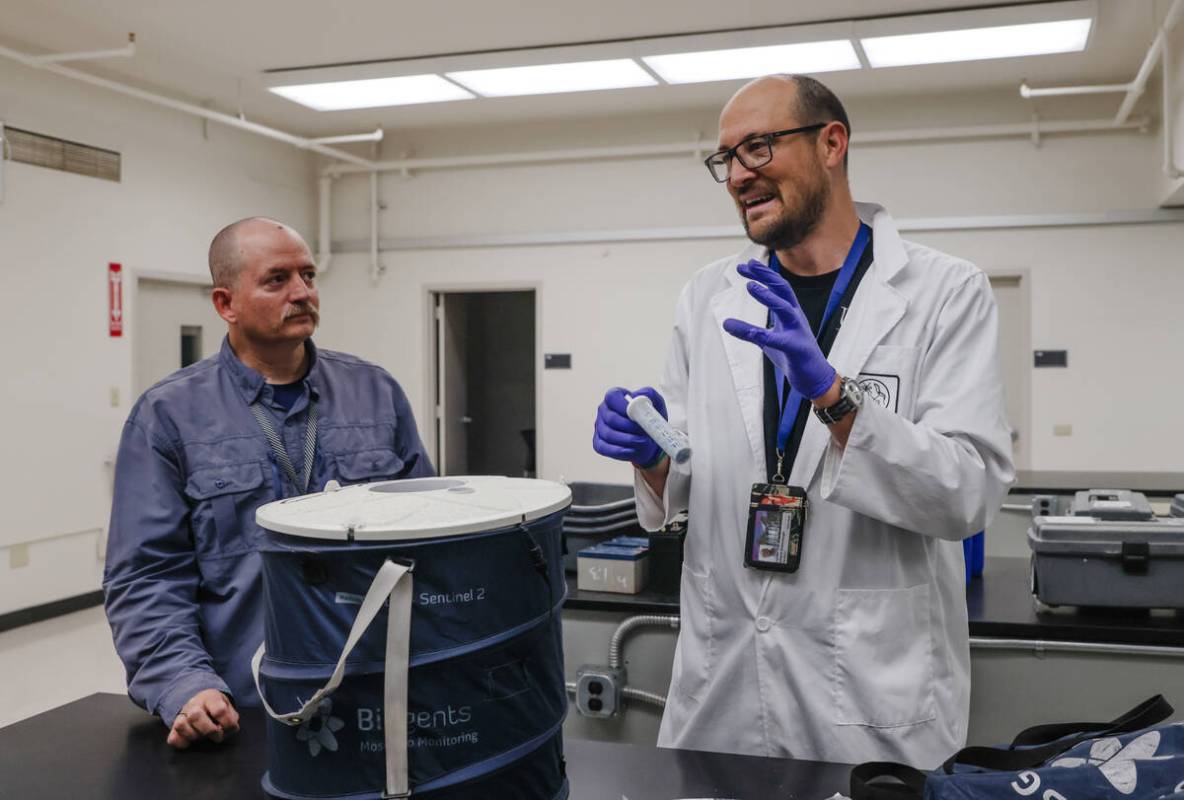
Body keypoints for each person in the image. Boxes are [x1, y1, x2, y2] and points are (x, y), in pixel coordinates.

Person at [593, 75, 1014, 768]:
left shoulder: (944, 291)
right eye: (725, 159)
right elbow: (694, 474)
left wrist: (833, 396)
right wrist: (651, 455)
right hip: (723, 687)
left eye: (757, 148)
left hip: (871, 694)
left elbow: (968, 493)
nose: (737, 176)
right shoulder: (708, 297)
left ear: (831, 144)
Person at [104, 217, 433, 749]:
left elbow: (431, 538)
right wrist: (186, 684)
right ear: (225, 303)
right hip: (242, 710)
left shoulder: (375, 394)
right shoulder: (168, 417)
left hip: (378, 698)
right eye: (277, 279)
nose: (302, 292)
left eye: (308, 275)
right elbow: (147, 575)